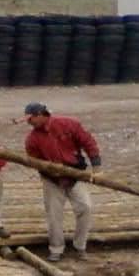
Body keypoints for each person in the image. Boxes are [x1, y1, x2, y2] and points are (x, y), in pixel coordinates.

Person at [22, 102, 101, 262]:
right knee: (54, 215)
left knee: (85, 207)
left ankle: (80, 246)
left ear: (41, 115)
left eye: (31, 119)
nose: (28, 122)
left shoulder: (69, 124)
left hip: (75, 174)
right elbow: (34, 161)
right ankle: (56, 249)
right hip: (51, 179)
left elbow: (88, 142)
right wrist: (50, 171)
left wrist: (96, 166)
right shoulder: (32, 139)